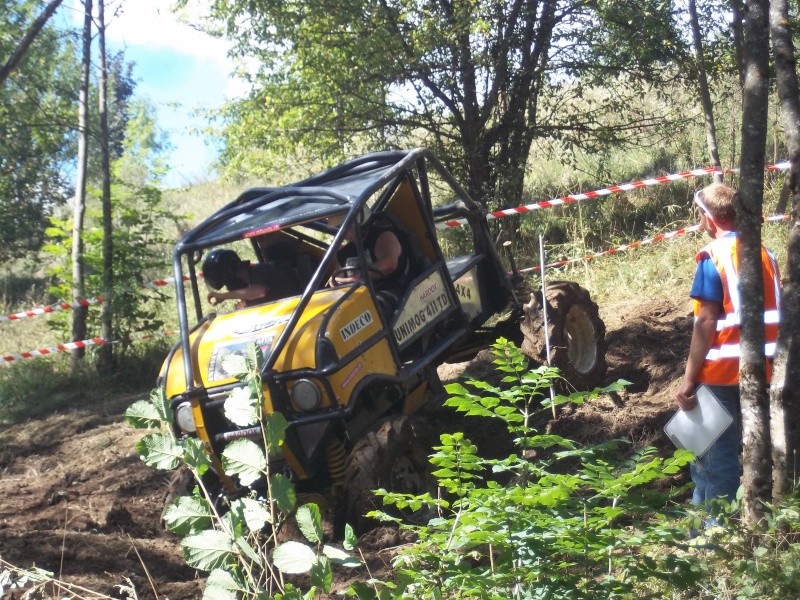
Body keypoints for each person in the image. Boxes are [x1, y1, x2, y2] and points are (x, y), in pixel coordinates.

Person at [675, 183, 781, 511]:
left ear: (709, 218)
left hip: (720, 373)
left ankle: (712, 537)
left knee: (711, 459)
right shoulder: (766, 253)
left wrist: (689, 379)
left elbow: (705, 322)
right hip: (764, 368)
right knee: (748, 452)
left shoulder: (713, 257)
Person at [202, 248, 297, 309]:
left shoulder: (260, 270)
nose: (228, 288)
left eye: (226, 283)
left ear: (229, 276)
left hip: (295, 310)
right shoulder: (250, 282)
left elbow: (260, 292)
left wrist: (223, 296)